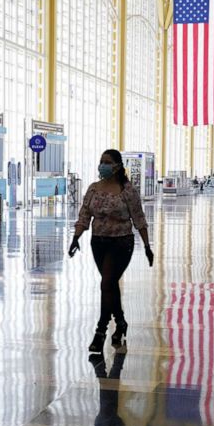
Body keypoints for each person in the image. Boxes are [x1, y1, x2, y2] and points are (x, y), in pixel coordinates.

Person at [69, 150, 153, 352]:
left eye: (107, 162)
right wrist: (75, 238)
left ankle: (101, 331)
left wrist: (148, 246)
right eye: (101, 162)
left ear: (116, 166)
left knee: (106, 283)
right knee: (110, 285)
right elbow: (84, 215)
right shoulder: (93, 189)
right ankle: (121, 322)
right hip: (98, 243)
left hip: (121, 244)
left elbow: (139, 219)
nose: (102, 166)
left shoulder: (127, 190)